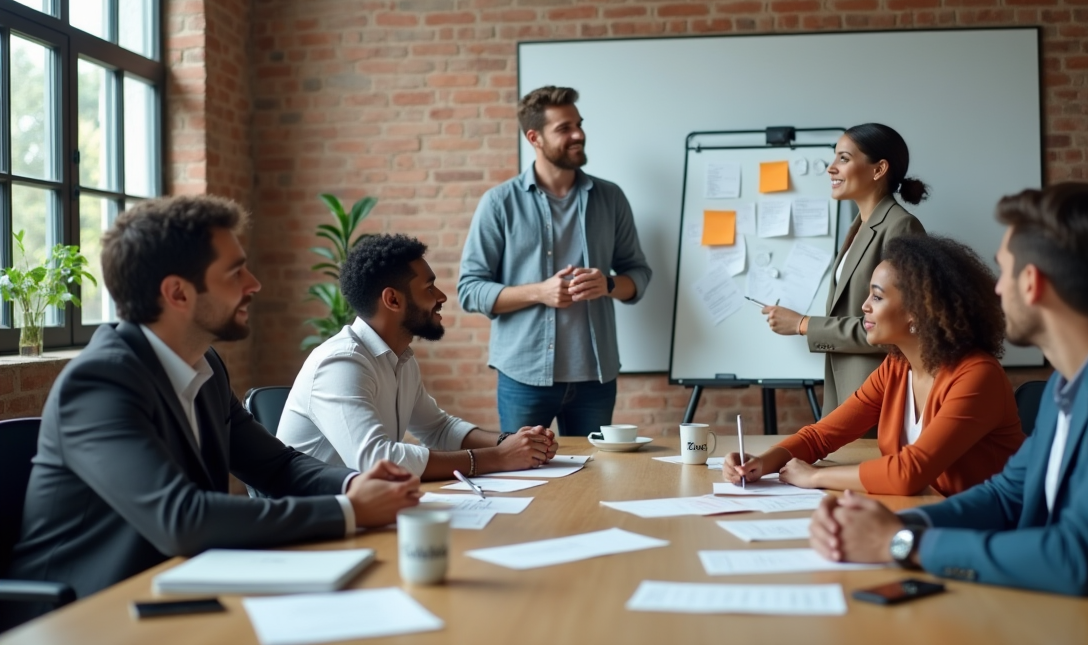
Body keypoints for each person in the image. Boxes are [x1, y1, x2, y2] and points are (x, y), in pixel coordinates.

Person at [808, 183, 1088, 645]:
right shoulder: (1069, 380)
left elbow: (1076, 557)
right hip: (1055, 612)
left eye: (1005, 271)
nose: (996, 288)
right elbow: (1006, 496)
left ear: (1033, 283)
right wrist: (898, 525)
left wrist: (902, 544)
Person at [2, 197, 421, 626]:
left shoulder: (205, 365)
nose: (253, 284)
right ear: (178, 293)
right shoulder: (100, 383)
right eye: (235, 272)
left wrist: (353, 483)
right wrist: (349, 510)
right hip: (79, 616)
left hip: (178, 591)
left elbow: (276, 466)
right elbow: (181, 519)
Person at [726, 234, 1024, 496]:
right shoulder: (896, 367)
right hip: (921, 513)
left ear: (918, 310)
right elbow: (820, 436)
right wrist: (761, 463)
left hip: (982, 527)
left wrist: (815, 477)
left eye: (877, 296)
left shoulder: (977, 376)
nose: (864, 306)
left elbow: (909, 472)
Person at [278, 233, 559, 479]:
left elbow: (439, 429)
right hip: (315, 515)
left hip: (362, 505)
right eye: (429, 288)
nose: (442, 297)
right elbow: (377, 461)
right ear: (393, 300)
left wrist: (510, 442)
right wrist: (498, 457)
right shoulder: (341, 363)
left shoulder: (401, 358)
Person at [458, 86, 652, 435]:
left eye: (579, 124)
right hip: (523, 377)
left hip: (595, 378)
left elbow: (638, 274)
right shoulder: (499, 203)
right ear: (534, 137)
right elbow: (470, 290)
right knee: (522, 467)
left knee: (592, 469)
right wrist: (540, 292)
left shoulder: (610, 198)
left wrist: (607, 284)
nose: (578, 134)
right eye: (564, 128)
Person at [763, 123, 928, 417]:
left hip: (876, 392)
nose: (831, 168)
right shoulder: (859, 226)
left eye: (844, 158)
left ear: (879, 169)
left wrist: (803, 324)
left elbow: (896, 326)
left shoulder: (901, 227)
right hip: (845, 389)